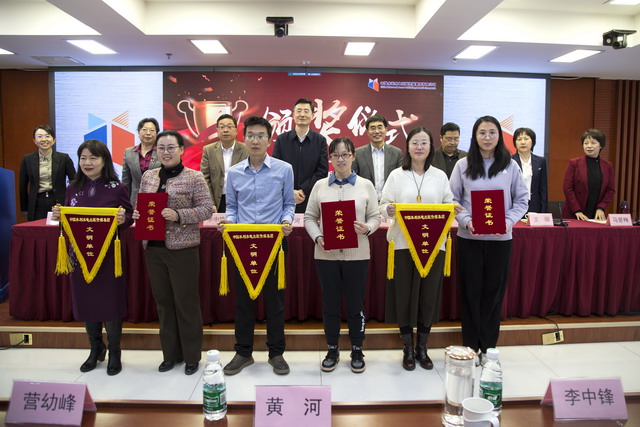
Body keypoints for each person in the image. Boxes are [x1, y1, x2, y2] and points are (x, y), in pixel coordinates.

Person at [218, 116, 295, 376]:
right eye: (250, 135)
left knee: (275, 302)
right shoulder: (235, 172)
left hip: (273, 244)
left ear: (269, 140)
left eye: (261, 135)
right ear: (244, 139)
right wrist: (229, 222)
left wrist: (286, 221)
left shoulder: (284, 169)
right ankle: (243, 352)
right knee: (244, 302)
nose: (255, 140)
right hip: (242, 244)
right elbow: (232, 207)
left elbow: (288, 204)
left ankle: (276, 353)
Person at [133, 130, 214, 376]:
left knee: (186, 304)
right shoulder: (148, 176)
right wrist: (138, 214)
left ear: (181, 150)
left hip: (183, 250)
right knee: (164, 304)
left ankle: (191, 356)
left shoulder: (194, 177)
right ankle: (170, 355)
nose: (166, 152)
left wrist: (179, 215)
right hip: (153, 249)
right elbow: (142, 205)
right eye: (161, 148)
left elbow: (206, 209)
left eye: (171, 147)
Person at [51, 139, 133, 376]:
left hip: (108, 256)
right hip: (79, 254)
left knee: (111, 302)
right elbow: (69, 218)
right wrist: (59, 215)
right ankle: (96, 348)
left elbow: (128, 216)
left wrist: (123, 219)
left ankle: (115, 351)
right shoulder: (73, 187)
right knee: (86, 300)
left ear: (104, 160)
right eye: (83, 158)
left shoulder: (117, 187)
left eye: (93, 158)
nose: (87, 163)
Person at [449, 116, 528, 358]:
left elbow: (522, 200)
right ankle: (471, 346)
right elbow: (451, 199)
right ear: (475, 136)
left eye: (492, 132)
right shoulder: (462, 165)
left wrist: (507, 222)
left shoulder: (510, 165)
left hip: (500, 241)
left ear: (499, 136)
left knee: (493, 294)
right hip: (469, 239)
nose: (487, 137)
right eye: (482, 133)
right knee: (470, 293)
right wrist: (467, 221)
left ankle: (488, 348)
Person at [380, 127, 456, 371]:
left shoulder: (440, 176)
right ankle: (407, 348)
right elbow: (383, 205)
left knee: (428, 295)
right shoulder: (396, 175)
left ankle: (423, 346)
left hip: (433, 246)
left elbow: (448, 203)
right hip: (403, 244)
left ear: (431, 146)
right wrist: (388, 209)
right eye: (415, 142)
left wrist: (454, 208)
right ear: (408, 146)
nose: (419, 147)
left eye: (424, 142)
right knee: (403, 295)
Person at [304, 137, 380, 373]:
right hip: (325, 255)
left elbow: (375, 216)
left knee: (356, 304)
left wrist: (367, 228)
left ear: (353, 156)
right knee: (331, 305)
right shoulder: (320, 186)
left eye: (345, 154)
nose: (340, 159)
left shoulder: (366, 185)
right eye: (335, 155)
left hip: (358, 255)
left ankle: (357, 348)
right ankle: (332, 348)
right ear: (330, 158)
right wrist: (318, 236)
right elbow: (309, 217)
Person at [273, 98, 328, 213]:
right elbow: (276, 170)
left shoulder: (320, 140)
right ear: (293, 115)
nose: (302, 114)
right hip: (284, 200)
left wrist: (304, 190)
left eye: (306, 111)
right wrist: (290, 192)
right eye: (298, 111)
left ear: (312, 115)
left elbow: (322, 171)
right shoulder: (282, 140)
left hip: (311, 198)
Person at [20, 125, 76, 221]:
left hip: (59, 202)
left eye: (47, 136)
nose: (44, 139)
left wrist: (72, 203)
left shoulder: (64, 158)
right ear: (34, 141)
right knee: (37, 229)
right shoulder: (27, 159)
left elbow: (74, 181)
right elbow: (22, 186)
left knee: (59, 229)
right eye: (39, 136)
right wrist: (24, 209)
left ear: (54, 140)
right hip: (37, 203)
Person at [561, 129, 615, 220]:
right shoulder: (574, 163)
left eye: (593, 143)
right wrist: (577, 210)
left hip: (596, 214)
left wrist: (601, 208)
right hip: (574, 213)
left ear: (601, 145)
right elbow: (567, 188)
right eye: (586, 143)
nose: (589, 146)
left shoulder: (608, 166)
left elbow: (610, 190)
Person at [200, 114, 248, 213]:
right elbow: (204, 178)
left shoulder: (246, 150)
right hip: (218, 201)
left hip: (241, 201)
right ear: (217, 131)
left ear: (236, 130)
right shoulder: (209, 150)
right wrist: (211, 203)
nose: (225, 130)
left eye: (229, 127)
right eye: (222, 127)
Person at [352, 115, 403, 200]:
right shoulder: (358, 153)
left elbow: (400, 180)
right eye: (372, 128)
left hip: (390, 202)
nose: (377, 131)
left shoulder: (396, 153)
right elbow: (353, 179)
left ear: (386, 130)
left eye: (380, 127)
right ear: (367, 132)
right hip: (366, 201)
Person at [122, 118, 161, 209]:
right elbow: (126, 180)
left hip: (157, 198)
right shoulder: (129, 152)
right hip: (135, 200)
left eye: (152, 130)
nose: (148, 133)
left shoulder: (162, 152)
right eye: (144, 129)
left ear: (156, 134)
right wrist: (124, 202)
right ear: (138, 132)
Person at [512, 128, 548, 213]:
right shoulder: (510, 161)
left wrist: (543, 211)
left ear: (532, 142)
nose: (523, 142)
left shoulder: (540, 161)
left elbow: (543, 189)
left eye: (526, 139)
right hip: (515, 205)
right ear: (515, 143)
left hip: (534, 206)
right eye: (519, 139)